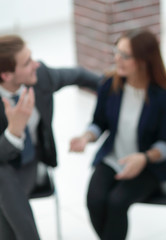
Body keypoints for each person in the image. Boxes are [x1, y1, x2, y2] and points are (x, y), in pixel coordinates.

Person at [69, 29, 166, 240]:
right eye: (116, 51)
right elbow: (99, 123)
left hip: (148, 166)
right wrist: (86, 137)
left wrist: (143, 158)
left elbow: (165, 144)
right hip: (113, 157)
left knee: (117, 203)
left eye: (125, 55)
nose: (117, 59)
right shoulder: (109, 83)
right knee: (95, 200)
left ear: (145, 60)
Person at [0, 34, 101, 240]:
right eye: (27, 62)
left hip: (29, 163)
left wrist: (117, 89)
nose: (36, 64)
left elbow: (80, 75)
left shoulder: (42, 77)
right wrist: (14, 131)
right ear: (6, 75)